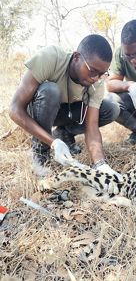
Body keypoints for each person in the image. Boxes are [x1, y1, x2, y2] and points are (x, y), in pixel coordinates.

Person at [9, 34, 121, 178]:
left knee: (110, 109)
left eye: (101, 74)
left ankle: (64, 133)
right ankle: (41, 152)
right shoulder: (51, 57)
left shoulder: (97, 82)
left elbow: (91, 126)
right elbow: (14, 109)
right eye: (92, 71)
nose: (95, 78)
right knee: (50, 90)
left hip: (65, 112)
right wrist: (53, 143)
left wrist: (101, 164)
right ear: (76, 57)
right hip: (38, 110)